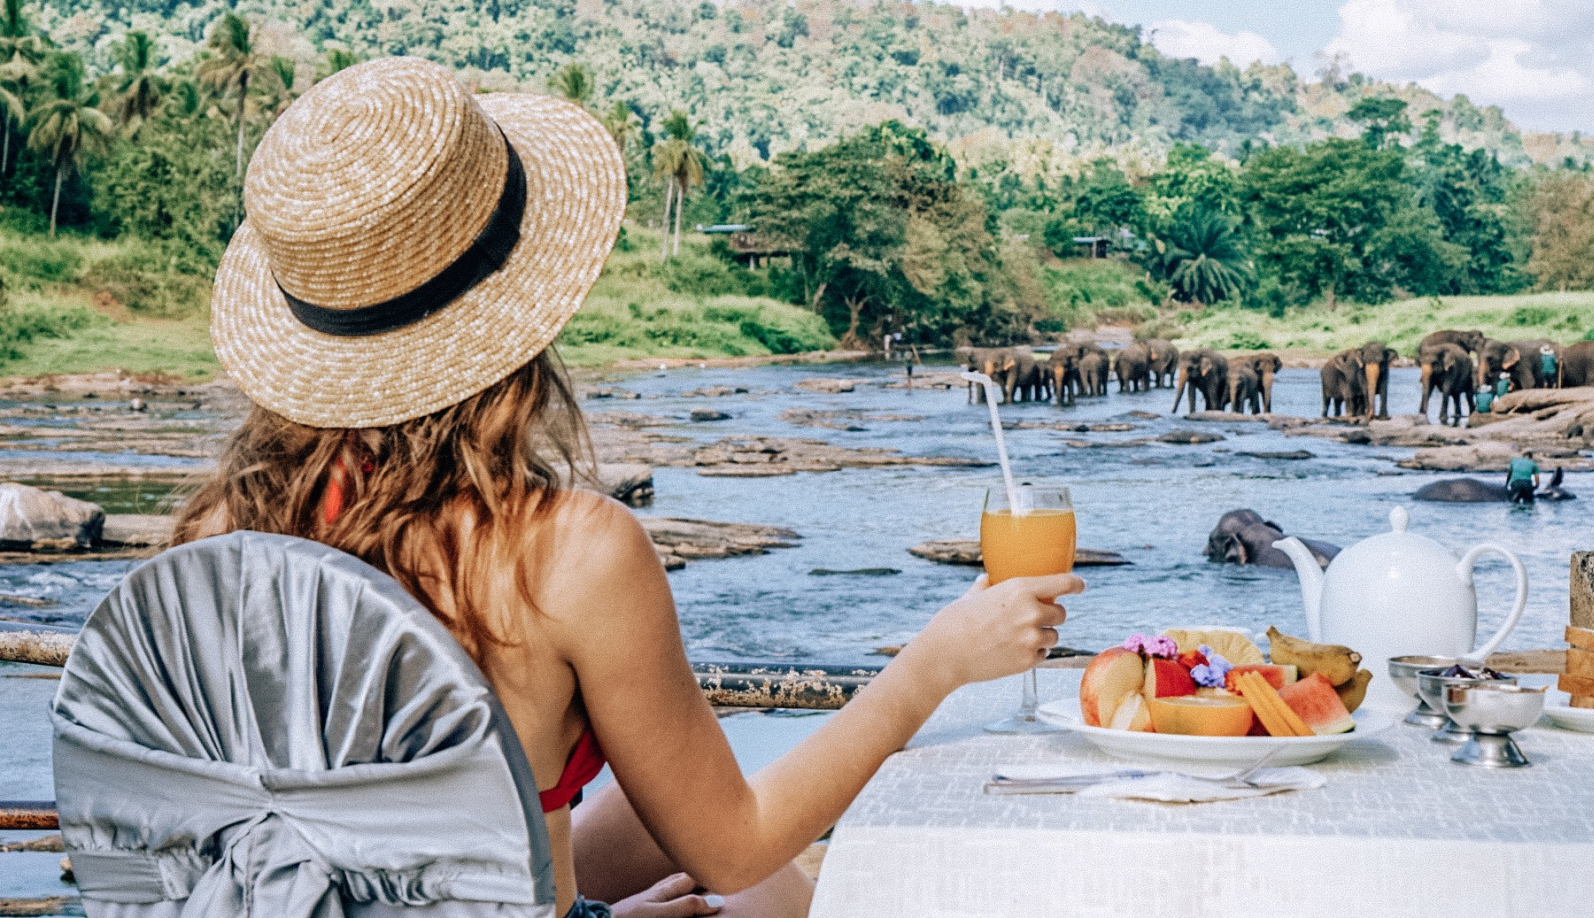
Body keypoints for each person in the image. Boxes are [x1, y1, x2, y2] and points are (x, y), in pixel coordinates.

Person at [173, 58, 1079, 918]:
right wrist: (933, 667)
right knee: (763, 891)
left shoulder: (215, 532)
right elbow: (735, 845)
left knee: (667, 805)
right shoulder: (569, 551)